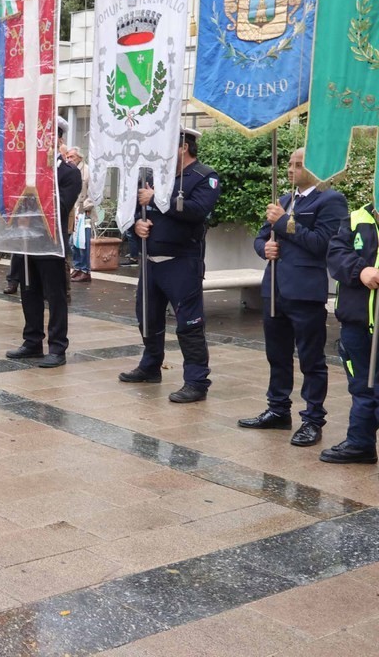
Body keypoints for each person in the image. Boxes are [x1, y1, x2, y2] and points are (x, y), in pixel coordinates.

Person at [238, 149, 347, 446]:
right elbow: (261, 237)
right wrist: (264, 249)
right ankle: (278, 409)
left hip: (305, 292)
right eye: (289, 164)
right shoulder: (284, 200)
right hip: (274, 289)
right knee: (277, 355)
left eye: (298, 165)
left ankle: (313, 419)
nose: (290, 169)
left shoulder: (330, 200)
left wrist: (285, 221)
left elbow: (324, 244)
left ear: (314, 168)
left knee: (311, 359)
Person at [120, 127, 222, 402]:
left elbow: (197, 211)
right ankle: (150, 366)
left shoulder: (204, 176)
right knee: (147, 317)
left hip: (181, 262)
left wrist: (156, 199)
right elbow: (135, 211)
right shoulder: (155, 176)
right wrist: (136, 227)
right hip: (152, 261)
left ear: (183, 147)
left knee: (189, 323)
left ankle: (197, 381)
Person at [4, 141, 82, 368]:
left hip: (51, 243)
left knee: (55, 296)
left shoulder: (68, 173)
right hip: (27, 241)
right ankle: (32, 341)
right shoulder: (29, 171)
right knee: (29, 292)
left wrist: (31, 210)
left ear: (56, 142)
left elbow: (62, 206)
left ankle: (58, 347)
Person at [321, 199, 379, 464]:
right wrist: (362, 271)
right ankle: (360, 443)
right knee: (361, 385)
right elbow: (336, 253)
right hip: (356, 322)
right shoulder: (355, 219)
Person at [68, 147, 95, 283]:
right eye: (68, 157)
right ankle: (78, 267)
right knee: (75, 242)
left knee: (83, 241)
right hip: (74, 211)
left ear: (79, 157)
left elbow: (93, 191)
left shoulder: (87, 171)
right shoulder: (72, 171)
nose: (69, 159)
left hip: (85, 211)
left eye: (72, 157)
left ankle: (85, 270)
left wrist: (86, 207)